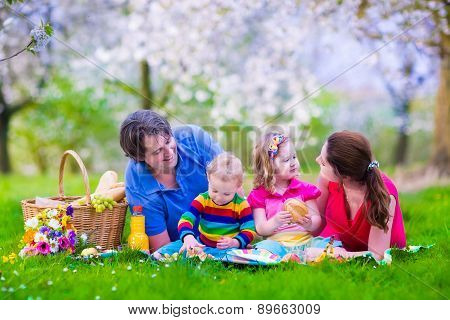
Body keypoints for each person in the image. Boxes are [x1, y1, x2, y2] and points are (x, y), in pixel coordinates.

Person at [120, 110, 223, 251]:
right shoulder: (137, 185)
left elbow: (234, 187)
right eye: (157, 151)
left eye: (168, 141)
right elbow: (162, 248)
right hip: (183, 245)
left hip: (227, 235)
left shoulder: (194, 138)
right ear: (140, 157)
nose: (169, 152)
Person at [315, 130, 406, 260]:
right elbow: (317, 223)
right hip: (338, 243)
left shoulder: (383, 195)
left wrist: (330, 254)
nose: (317, 160)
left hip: (371, 250)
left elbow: (377, 256)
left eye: (323, 162)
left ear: (344, 175)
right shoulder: (326, 178)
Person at [247, 132, 337, 259]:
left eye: (294, 157)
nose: (293, 162)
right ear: (268, 166)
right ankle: (289, 258)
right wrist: (276, 221)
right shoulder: (259, 195)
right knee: (264, 247)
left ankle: (313, 256)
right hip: (276, 243)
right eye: (286, 160)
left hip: (306, 241)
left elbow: (317, 219)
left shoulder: (304, 189)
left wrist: (309, 224)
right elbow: (261, 229)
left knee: (327, 244)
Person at [153, 153, 256, 260]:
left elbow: (249, 230)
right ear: (208, 178)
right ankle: (158, 255)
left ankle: (214, 259)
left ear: (238, 186)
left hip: (227, 249)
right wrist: (188, 237)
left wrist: (235, 242)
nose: (219, 198)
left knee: (235, 256)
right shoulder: (202, 200)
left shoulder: (241, 205)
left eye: (226, 194)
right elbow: (185, 219)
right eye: (214, 190)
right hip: (202, 245)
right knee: (178, 246)